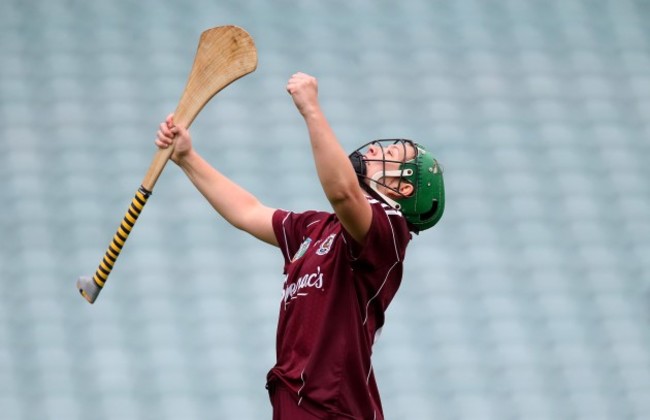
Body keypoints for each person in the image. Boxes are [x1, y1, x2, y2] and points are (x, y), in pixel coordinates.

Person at [155, 72, 445, 420]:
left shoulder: (388, 231)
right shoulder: (316, 228)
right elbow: (248, 212)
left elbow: (342, 192)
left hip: (334, 409)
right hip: (295, 402)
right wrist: (188, 157)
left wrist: (310, 110)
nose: (373, 150)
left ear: (406, 188)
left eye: (390, 153)